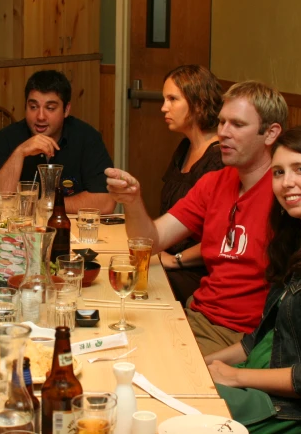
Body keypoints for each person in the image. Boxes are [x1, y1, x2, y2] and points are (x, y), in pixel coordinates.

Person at [106, 81, 287, 355]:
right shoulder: (213, 182)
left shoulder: (286, 193)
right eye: (222, 122)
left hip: (240, 334)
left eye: (237, 125)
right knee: (114, 343)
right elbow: (151, 242)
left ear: (271, 133)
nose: (223, 133)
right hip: (197, 314)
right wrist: (132, 201)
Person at [205, 126, 301, 433]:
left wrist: (235, 377)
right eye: (278, 172)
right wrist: (200, 364)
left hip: (293, 411)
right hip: (258, 382)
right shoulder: (294, 241)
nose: (287, 183)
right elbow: (255, 341)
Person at [0, 69, 115, 214]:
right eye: (33, 107)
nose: (40, 116)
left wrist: (46, 204)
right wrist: (19, 153)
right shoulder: (6, 137)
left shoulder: (87, 138)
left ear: (66, 110)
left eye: (50, 108)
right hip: (20, 231)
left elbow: (106, 201)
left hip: (71, 229)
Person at [159, 65, 225, 303]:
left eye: (172, 99)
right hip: (168, 259)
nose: (164, 108)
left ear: (198, 103)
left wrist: (175, 260)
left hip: (198, 271)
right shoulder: (184, 148)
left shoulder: (219, 159)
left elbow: (223, 237)